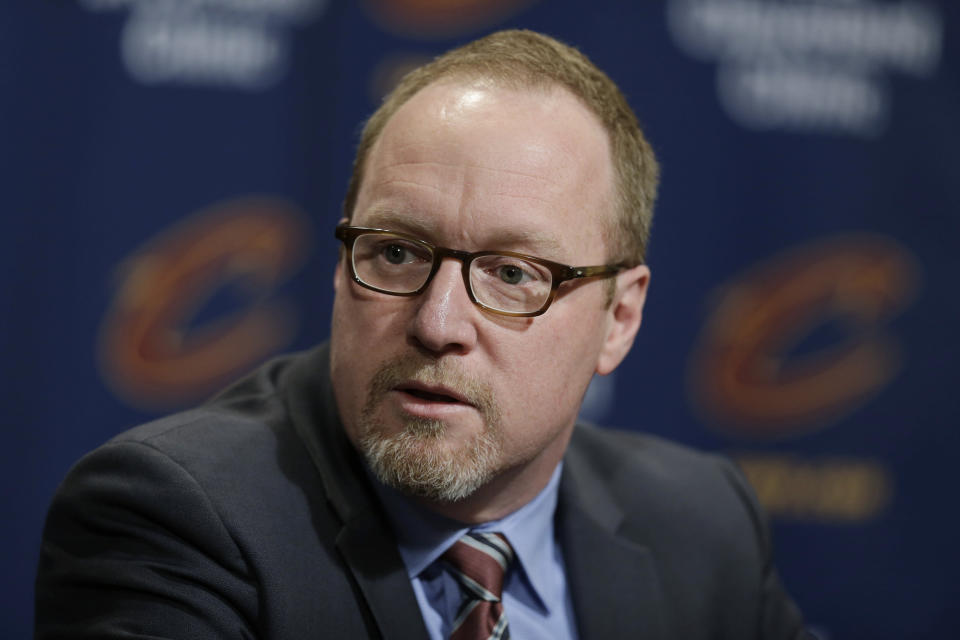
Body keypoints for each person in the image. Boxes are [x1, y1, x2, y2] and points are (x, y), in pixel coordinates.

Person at [36, 29, 810, 639]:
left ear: (620, 319)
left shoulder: (704, 526)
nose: (437, 324)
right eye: (397, 253)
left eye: (513, 274)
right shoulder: (175, 520)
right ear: (343, 267)